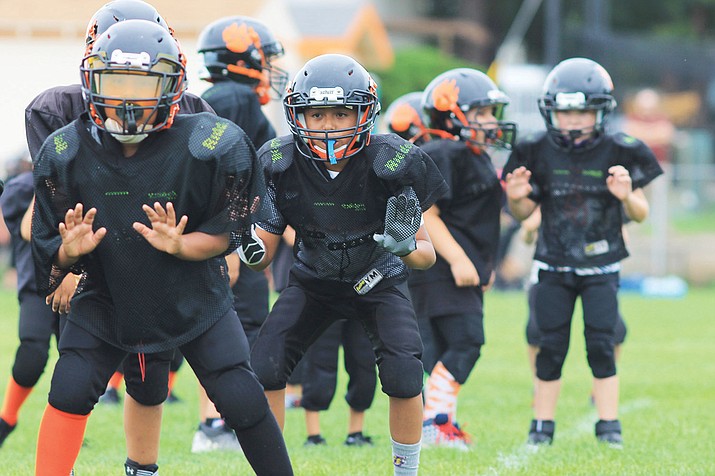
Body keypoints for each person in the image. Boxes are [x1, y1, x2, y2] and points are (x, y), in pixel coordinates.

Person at [30, 19, 292, 475]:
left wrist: (183, 244)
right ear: (92, 83)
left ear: (171, 86)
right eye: (115, 83)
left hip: (192, 293)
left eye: (144, 85)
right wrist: (71, 252)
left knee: (240, 397)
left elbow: (230, 230)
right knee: (69, 389)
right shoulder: (64, 150)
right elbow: (48, 248)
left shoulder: (210, 142)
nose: (129, 101)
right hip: (106, 293)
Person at [21, 2, 217, 473]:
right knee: (70, 382)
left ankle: (142, 469)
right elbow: (49, 212)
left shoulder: (191, 110)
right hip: (93, 255)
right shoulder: (58, 110)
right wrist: (65, 268)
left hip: (156, 256)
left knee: (150, 379)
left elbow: (204, 203)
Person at [241, 53, 448, 476]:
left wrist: (405, 245)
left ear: (364, 113)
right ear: (298, 114)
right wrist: (244, 246)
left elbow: (426, 256)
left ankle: (405, 472)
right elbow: (262, 245)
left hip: (378, 279)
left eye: (340, 113)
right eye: (317, 114)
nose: (329, 125)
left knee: (405, 373)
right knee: (265, 364)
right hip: (313, 280)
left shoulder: (391, 161)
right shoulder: (279, 162)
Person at [502, 57, 663, 448]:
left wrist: (627, 197)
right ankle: (542, 426)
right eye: (565, 112)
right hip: (553, 260)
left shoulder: (620, 149)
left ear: (600, 111)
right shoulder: (534, 149)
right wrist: (517, 198)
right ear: (551, 111)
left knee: (602, 345)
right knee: (549, 345)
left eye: (581, 112)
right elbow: (524, 211)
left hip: (601, 262)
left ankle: (609, 424)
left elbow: (640, 214)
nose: (572, 121)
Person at [189, 14, 289, 453]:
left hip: (222, 231)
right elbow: (222, 172)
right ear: (244, 57)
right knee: (234, 324)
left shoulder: (224, 96)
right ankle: (215, 423)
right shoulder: (235, 98)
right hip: (224, 234)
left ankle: (216, 422)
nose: (272, 69)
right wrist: (229, 243)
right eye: (266, 60)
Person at [406, 68, 516, 450]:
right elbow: (425, 213)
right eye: (482, 113)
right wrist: (458, 260)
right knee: (467, 341)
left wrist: (481, 263)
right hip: (441, 269)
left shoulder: (472, 155)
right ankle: (435, 423)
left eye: (491, 113)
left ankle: (437, 423)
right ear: (451, 114)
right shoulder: (446, 152)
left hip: (450, 270)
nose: (491, 122)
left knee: (440, 349)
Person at [301, 318, 377, 447]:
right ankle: (313, 436)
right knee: (319, 358)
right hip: (324, 300)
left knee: (363, 362)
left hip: (362, 300)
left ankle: (355, 433)